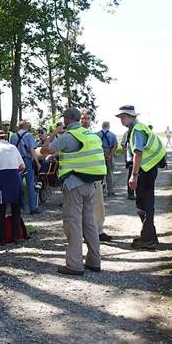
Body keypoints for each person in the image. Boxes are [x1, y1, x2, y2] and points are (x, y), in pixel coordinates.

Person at [41, 107, 106, 275]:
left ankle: (74, 265)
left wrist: (55, 132)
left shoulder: (68, 136)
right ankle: (94, 261)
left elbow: (44, 150)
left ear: (67, 119)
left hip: (74, 184)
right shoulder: (92, 135)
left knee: (73, 224)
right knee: (89, 223)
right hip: (92, 184)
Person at [116, 105, 166, 250]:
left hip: (144, 170)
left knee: (144, 204)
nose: (121, 119)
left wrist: (134, 176)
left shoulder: (137, 130)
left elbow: (138, 153)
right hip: (148, 169)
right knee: (146, 203)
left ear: (132, 116)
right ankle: (149, 235)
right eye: (120, 117)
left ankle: (148, 239)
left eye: (123, 116)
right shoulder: (139, 128)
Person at [0, 130, 26, 245]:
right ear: (5, 138)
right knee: (15, 208)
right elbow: (22, 166)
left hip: (2, 178)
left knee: (1, 209)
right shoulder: (13, 147)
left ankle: (2, 238)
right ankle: (16, 237)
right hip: (14, 177)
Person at [81, 110, 110, 241]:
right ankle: (83, 232)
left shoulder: (94, 137)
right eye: (83, 118)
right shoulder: (74, 135)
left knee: (98, 204)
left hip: (95, 175)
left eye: (87, 118)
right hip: (80, 176)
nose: (85, 120)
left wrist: (102, 174)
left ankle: (98, 230)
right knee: (81, 207)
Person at [11, 120, 41, 215]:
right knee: (30, 184)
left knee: (17, 185)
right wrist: (37, 162)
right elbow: (32, 150)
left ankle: (17, 208)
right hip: (27, 161)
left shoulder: (13, 136)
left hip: (16, 162)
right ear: (26, 126)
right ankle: (32, 208)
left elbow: (11, 150)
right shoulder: (29, 135)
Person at [96, 121, 118, 196]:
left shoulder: (97, 134)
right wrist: (110, 155)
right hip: (109, 152)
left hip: (99, 153)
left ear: (102, 126)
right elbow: (115, 145)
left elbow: (95, 146)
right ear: (109, 126)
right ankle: (110, 190)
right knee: (109, 173)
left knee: (99, 173)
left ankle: (99, 191)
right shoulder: (112, 135)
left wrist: (103, 154)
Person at [121, 129, 135, 200]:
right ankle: (131, 193)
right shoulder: (127, 133)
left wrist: (125, 158)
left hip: (132, 158)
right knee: (132, 176)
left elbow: (123, 146)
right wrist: (126, 158)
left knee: (132, 175)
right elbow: (123, 146)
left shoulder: (126, 133)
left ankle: (131, 193)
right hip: (132, 159)